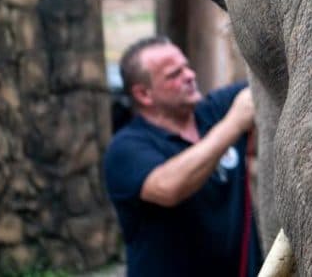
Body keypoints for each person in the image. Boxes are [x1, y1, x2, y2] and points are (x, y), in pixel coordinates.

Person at [103, 36, 262, 277]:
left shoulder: (215, 110)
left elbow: (263, 83)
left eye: (186, 66)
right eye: (174, 75)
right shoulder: (126, 147)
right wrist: (233, 125)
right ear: (144, 94)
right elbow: (168, 187)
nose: (189, 75)